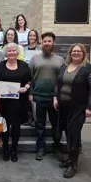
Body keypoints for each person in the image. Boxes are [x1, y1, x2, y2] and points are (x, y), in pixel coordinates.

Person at [53, 43, 91, 178]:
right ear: (70, 53)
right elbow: (57, 84)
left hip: (78, 108)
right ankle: (70, 158)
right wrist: (55, 98)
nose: (76, 53)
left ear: (83, 53)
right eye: (74, 51)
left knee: (73, 134)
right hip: (63, 107)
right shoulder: (64, 67)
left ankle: (73, 165)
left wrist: (90, 107)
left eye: (79, 51)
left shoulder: (88, 69)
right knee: (68, 133)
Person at [29, 32, 65, 161]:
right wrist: (30, 93)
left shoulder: (60, 60)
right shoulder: (35, 59)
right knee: (40, 125)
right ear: (41, 43)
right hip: (38, 97)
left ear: (53, 43)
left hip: (54, 99)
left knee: (56, 125)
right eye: (45, 41)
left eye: (49, 41)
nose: (47, 43)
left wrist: (57, 96)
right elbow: (29, 78)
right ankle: (41, 148)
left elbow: (62, 81)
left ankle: (57, 147)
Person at [0, 43, 31, 162]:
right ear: (6, 53)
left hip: (19, 103)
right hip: (4, 103)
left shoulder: (24, 66)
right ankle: (5, 149)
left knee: (16, 127)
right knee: (4, 127)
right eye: (9, 51)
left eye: (14, 51)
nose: (12, 53)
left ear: (17, 52)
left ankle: (14, 150)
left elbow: (29, 81)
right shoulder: (0, 66)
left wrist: (26, 88)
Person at [24, 29, 42, 126]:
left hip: (37, 76)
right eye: (30, 35)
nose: (32, 37)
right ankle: (29, 117)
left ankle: (36, 119)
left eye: (34, 35)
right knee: (27, 99)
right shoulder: (24, 49)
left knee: (34, 99)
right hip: (26, 75)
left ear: (36, 37)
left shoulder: (40, 50)